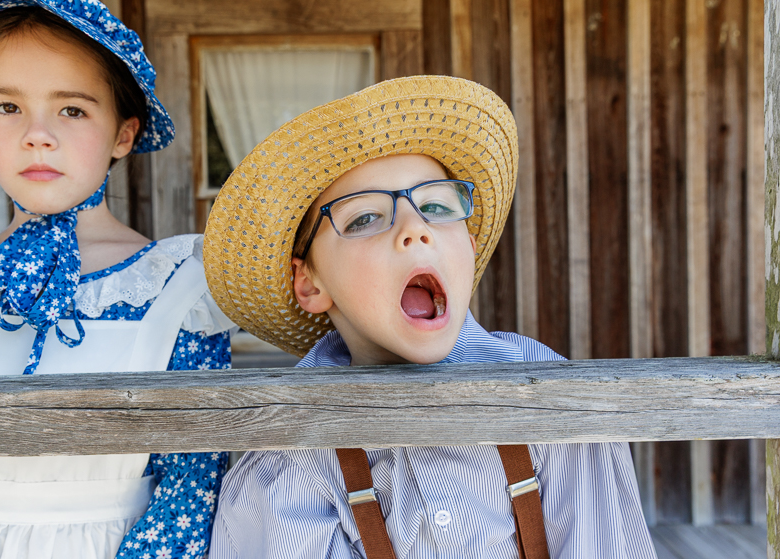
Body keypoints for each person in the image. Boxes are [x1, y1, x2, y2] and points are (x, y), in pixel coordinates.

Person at [203, 76, 657, 558]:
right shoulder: (286, 458)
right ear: (311, 284)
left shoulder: (550, 395)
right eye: (365, 218)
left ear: (470, 246)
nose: (415, 229)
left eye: (437, 206)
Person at [0, 0, 235, 558]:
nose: (37, 134)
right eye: (6, 107)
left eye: (72, 110)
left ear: (123, 133)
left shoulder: (176, 287)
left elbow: (192, 479)